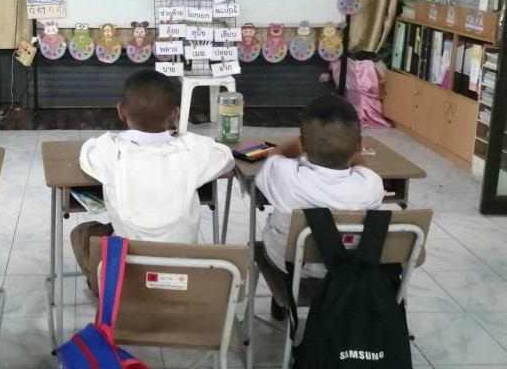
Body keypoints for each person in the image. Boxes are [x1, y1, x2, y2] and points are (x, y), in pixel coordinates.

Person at [70, 69, 234, 285]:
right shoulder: (192, 150)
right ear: (175, 114)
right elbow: (226, 157)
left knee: (82, 233)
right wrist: (184, 138)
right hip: (183, 277)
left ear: (121, 111)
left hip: (128, 276)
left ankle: (104, 288)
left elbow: (86, 154)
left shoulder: (108, 151)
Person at [254, 94, 383, 318]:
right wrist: (351, 148)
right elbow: (363, 167)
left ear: (302, 144)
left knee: (273, 237)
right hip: (348, 266)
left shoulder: (286, 177)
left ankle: (282, 301)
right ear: (359, 145)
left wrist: (301, 144)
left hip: (288, 264)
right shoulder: (371, 185)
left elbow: (275, 155)